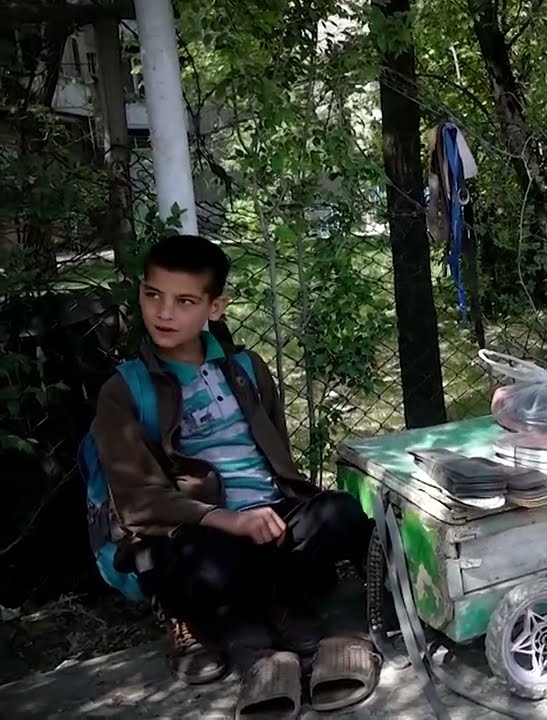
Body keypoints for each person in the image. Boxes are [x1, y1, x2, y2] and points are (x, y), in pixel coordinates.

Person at [91, 235, 377, 712]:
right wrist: (227, 520)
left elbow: (276, 458)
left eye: (185, 301)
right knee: (209, 562)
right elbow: (140, 502)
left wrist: (273, 515)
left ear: (215, 306)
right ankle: (247, 627)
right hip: (201, 532)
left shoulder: (245, 369)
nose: (164, 312)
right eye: (152, 295)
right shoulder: (124, 391)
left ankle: (276, 612)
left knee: (341, 512)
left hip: (268, 518)